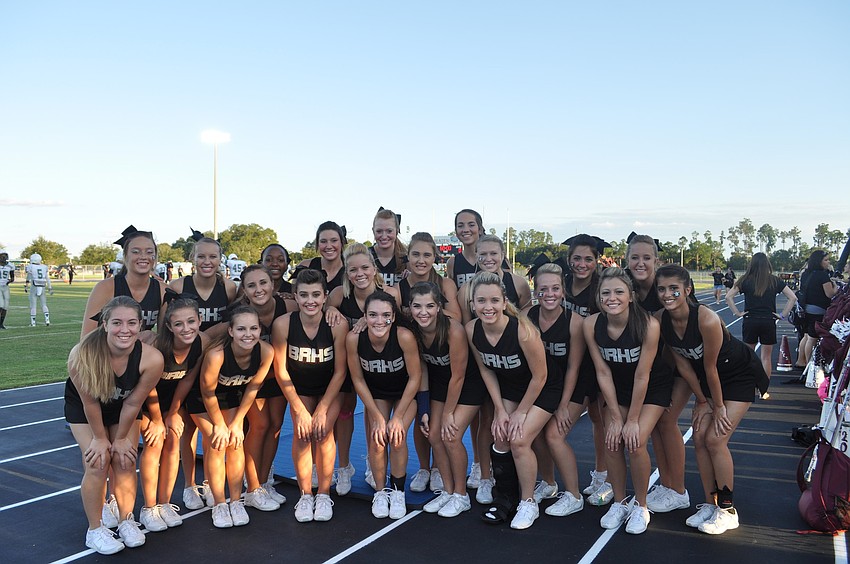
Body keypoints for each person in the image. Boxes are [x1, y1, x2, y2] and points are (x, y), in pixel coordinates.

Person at [656, 265, 768, 534]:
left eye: (674, 289)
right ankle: (710, 503)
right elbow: (684, 367)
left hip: (738, 374)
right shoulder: (662, 320)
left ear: (688, 290)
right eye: (661, 289)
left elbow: (711, 368)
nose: (667, 294)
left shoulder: (705, 318)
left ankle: (727, 509)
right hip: (709, 379)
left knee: (715, 439)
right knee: (698, 437)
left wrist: (716, 406)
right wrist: (702, 400)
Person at [64, 296, 164, 554]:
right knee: (97, 462)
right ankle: (94, 530)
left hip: (123, 408)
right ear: (105, 324)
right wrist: (100, 439)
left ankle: (126, 519)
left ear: (141, 325)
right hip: (86, 410)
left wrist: (120, 439)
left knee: (125, 459)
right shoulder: (82, 354)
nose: (125, 329)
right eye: (117, 322)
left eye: (132, 323)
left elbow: (133, 404)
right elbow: (90, 404)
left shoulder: (151, 359)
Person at [584, 267, 672, 534]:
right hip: (616, 388)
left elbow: (643, 376)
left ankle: (641, 506)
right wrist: (614, 417)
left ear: (631, 296)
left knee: (634, 442)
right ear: (599, 297)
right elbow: (602, 371)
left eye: (619, 292)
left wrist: (631, 420)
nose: (612, 298)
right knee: (612, 441)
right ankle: (620, 502)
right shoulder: (591, 324)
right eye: (606, 293)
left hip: (650, 388)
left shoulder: (648, 325)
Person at [466, 271, 556, 530]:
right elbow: (486, 369)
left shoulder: (523, 332)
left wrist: (520, 413)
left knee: (518, 439)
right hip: (510, 387)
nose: (488, 306)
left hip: (543, 387)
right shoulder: (472, 330)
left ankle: (528, 503)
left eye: (494, 300)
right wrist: (499, 410)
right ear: (473, 304)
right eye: (481, 301)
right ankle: (505, 497)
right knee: (501, 435)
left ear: (504, 302)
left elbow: (540, 376)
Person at [457, 235, 532, 506]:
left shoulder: (518, 285)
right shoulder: (466, 290)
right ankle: (484, 470)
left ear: (503, 255)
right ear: (475, 255)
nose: (488, 259)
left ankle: (525, 483)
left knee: (514, 429)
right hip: (487, 365)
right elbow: (472, 330)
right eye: (482, 254)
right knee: (487, 421)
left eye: (494, 254)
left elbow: (525, 313)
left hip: (516, 370)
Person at [186, 305, 273, 528]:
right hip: (203, 400)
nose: (248, 334)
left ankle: (236, 501)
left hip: (234, 397)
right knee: (217, 443)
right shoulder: (217, 355)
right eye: (242, 329)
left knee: (236, 442)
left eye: (253, 328)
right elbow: (207, 392)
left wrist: (236, 423)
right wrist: (219, 424)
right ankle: (219, 504)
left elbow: (253, 388)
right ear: (231, 331)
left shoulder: (265, 351)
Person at [272, 268, 348, 522]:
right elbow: (281, 371)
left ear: (325, 296)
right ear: (295, 296)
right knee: (303, 433)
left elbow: (340, 372)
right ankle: (305, 494)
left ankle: (324, 493)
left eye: (316, 294)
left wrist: (323, 407)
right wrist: (300, 410)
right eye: (303, 295)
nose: (310, 301)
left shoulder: (337, 324)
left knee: (324, 430)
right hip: (300, 387)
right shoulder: (283, 324)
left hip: (329, 386)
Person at [168, 235, 238, 510]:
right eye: (201, 256)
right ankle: (189, 485)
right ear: (192, 259)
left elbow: (234, 322)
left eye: (213, 256)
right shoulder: (177, 286)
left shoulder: (229, 287)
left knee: (213, 430)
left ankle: (211, 480)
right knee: (185, 431)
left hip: (215, 367)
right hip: (184, 364)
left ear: (220, 259)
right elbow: (166, 326)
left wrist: (207, 337)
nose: (207, 262)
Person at [327, 242, 401, 494]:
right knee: (345, 411)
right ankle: (344, 466)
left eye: (365, 268)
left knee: (373, 417)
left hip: (377, 364)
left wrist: (368, 319)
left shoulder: (389, 294)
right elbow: (326, 306)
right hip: (348, 363)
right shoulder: (339, 294)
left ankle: (374, 464)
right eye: (353, 269)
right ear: (346, 273)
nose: (360, 274)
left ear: (374, 268)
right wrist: (330, 311)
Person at [626, 234, 691, 515]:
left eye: (646, 258)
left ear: (656, 260)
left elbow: (689, 325)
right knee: (654, 428)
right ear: (627, 259)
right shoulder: (625, 288)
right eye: (635, 257)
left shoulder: (665, 287)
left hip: (680, 364)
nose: (640, 263)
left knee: (667, 421)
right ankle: (666, 485)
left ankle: (678, 490)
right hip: (650, 368)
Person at [409, 281, 484, 517]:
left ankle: (461, 496)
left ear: (439, 306)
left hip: (467, 384)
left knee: (450, 435)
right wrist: (423, 407)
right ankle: (448, 492)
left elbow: (459, 376)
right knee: (432, 434)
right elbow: (420, 371)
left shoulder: (453, 330)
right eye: (417, 306)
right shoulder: (413, 330)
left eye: (430, 306)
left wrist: (449, 413)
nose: (423, 312)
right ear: (409, 307)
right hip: (440, 384)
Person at [348, 291, 421, 519]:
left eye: (385, 315)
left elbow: (415, 378)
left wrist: (397, 417)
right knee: (378, 438)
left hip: (404, 393)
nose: (379, 321)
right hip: (377, 392)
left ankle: (398, 491)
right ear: (365, 316)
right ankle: (380, 492)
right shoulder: (354, 339)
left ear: (393, 316)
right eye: (373, 315)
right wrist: (377, 417)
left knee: (397, 437)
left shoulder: (403, 337)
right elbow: (358, 379)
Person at [228, 265, 294, 512]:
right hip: (250, 380)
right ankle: (252, 487)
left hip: (278, 376)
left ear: (273, 284)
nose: (259, 289)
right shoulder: (238, 313)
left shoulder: (288, 307)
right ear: (244, 290)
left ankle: (263, 483)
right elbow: (215, 335)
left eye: (263, 283)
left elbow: (315, 309)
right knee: (260, 425)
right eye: (252, 285)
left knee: (276, 427)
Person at [138, 297, 207, 532]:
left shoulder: (201, 343)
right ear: (169, 326)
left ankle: (165, 503)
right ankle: (149, 507)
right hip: (145, 399)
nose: (186, 328)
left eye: (191, 321)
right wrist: (157, 419)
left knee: (173, 443)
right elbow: (148, 386)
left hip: (170, 401)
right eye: (179, 324)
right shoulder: (159, 347)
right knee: (154, 443)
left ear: (200, 320)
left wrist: (174, 412)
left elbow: (187, 379)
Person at [399, 232, 461, 492]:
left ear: (435, 257)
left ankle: (440, 471)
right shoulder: (398, 288)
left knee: (443, 430)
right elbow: (378, 311)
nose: (421, 260)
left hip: (449, 367)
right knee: (421, 421)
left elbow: (455, 316)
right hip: (420, 364)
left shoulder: (444, 284)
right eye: (416, 254)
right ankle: (425, 468)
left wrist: (422, 309)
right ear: (408, 257)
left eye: (427, 255)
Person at [527, 263, 586, 518]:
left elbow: (574, 368)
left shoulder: (575, 322)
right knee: (537, 435)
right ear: (535, 291)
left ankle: (574, 495)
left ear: (563, 291)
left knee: (553, 435)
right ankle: (549, 484)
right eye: (543, 289)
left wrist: (563, 406)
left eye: (555, 288)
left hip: (572, 386)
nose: (549, 294)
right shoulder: (526, 317)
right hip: (543, 384)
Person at [562, 234, 611, 506]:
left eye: (588, 259)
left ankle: (604, 474)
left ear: (596, 261)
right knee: (572, 418)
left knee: (600, 418)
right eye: (577, 258)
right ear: (569, 259)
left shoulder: (601, 287)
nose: (582, 264)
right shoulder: (563, 284)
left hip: (598, 361)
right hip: (568, 361)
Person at [726, 252, 798, 392]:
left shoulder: (745, 280)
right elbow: (793, 298)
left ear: (751, 264)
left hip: (750, 320)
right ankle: (763, 389)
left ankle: (746, 387)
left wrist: (737, 313)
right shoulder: (774, 280)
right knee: (766, 357)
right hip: (768, 321)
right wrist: (783, 315)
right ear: (767, 265)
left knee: (749, 355)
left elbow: (729, 297)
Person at [81, 227, 166, 338]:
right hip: (107, 352)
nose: (143, 256)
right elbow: (86, 337)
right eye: (136, 252)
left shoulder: (163, 291)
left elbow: (164, 339)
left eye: (149, 252)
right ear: (125, 256)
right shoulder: (106, 288)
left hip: (143, 353)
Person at [797, 250, 838, 368]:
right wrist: (835, 287)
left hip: (806, 308)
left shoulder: (806, 273)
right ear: (819, 261)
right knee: (812, 338)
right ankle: (810, 365)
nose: (828, 262)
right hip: (818, 310)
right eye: (826, 260)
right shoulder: (822, 275)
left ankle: (801, 360)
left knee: (806, 336)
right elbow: (829, 294)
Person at [296, 221, 346, 292]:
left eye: (334, 240)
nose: (328, 246)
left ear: (342, 242)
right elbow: (294, 295)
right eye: (323, 241)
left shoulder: (350, 268)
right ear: (317, 244)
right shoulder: (305, 266)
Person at [370, 207, 407, 286]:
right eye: (379, 231)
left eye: (389, 231)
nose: (384, 236)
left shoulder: (407, 259)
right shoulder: (365, 256)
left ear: (397, 230)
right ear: (373, 231)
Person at [24, 253, 53, 327]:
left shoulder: (30, 267)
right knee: (44, 304)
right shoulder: (44, 267)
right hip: (42, 285)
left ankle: (33, 322)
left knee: (33, 305)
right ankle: (47, 320)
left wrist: (26, 286)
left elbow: (28, 277)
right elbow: (47, 278)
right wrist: (50, 287)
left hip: (34, 286)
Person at [0, 251, 15, 329]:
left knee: (5, 306)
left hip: (5, 287)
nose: (4, 257)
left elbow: (12, 278)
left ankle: (1, 324)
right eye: (2, 256)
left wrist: (9, 281)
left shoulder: (10, 266)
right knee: (1, 305)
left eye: (5, 255)